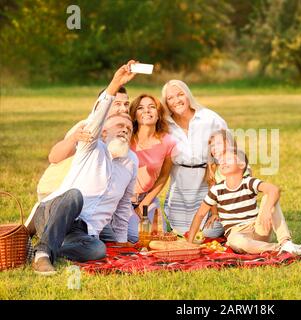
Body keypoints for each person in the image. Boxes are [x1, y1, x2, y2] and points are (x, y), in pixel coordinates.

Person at [25, 60, 139, 275]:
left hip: (81, 231)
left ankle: (38, 251)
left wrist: (122, 243)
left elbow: (124, 205)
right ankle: (42, 256)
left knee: (97, 249)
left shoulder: (131, 161)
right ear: (103, 132)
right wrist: (115, 83)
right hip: (54, 212)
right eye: (119, 125)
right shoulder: (91, 145)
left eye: (129, 127)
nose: (125, 129)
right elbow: (97, 116)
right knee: (74, 196)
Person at [187, 148, 301, 256]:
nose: (223, 162)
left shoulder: (249, 182)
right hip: (237, 234)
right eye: (222, 160)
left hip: (258, 228)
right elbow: (200, 215)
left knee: (270, 197)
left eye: (228, 159)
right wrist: (189, 243)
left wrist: (267, 210)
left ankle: (285, 242)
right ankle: (281, 249)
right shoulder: (216, 190)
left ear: (241, 164)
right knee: (237, 241)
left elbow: (274, 190)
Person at [36, 86, 130, 201]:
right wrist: (74, 138)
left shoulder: (122, 129)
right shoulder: (88, 126)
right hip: (57, 191)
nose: (124, 109)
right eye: (117, 104)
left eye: (126, 104)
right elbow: (54, 157)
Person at [160, 80, 227, 237]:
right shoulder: (165, 124)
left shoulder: (209, 118)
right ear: (166, 103)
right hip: (181, 187)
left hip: (207, 182)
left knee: (209, 232)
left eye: (180, 94)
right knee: (180, 232)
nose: (176, 100)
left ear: (188, 95)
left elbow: (228, 146)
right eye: (170, 98)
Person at [126, 93, 177, 241]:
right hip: (123, 199)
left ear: (158, 114)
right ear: (134, 115)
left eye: (152, 107)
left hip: (148, 197)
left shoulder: (168, 142)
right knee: (136, 237)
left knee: (158, 236)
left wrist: (145, 203)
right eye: (141, 108)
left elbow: (163, 177)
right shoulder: (126, 138)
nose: (147, 111)